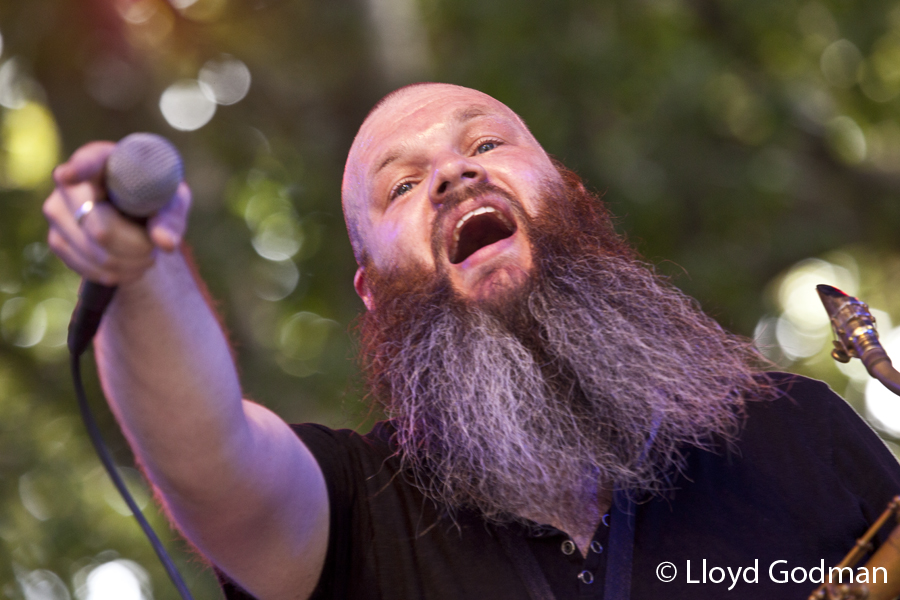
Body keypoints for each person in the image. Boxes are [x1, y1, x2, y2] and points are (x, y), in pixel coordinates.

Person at [43, 83, 900, 600]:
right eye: (403, 185)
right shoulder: (354, 517)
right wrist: (142, 270)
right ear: (372, 293)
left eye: (486, 143)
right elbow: (207, 457)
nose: (454, 173)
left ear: (568, 192)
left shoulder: (790, 431)